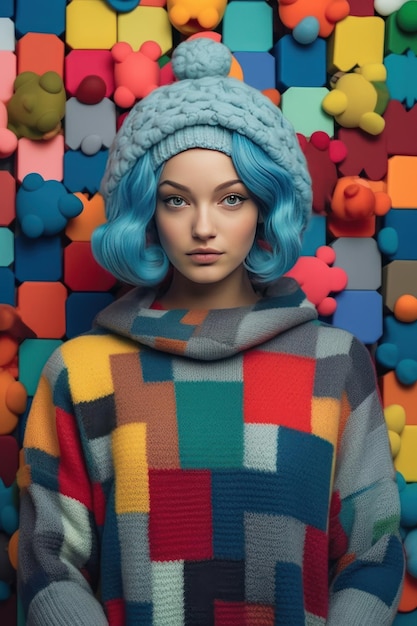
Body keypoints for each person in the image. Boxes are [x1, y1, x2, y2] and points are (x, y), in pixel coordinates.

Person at [18, 38, 404, 626]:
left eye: (231, 199)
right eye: (176, 201)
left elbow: (374, 555)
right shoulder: (81, 371)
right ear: (147, 211)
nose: (203, 227)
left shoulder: (334, 362)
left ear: (266, 207)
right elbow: (49, 567)